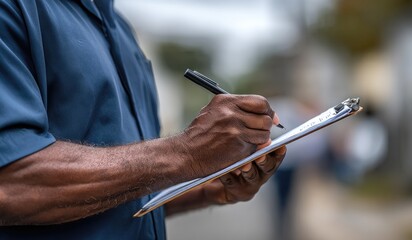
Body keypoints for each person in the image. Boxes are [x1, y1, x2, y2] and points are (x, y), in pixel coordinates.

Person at [0, 0, 286, 239]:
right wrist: (185, 153)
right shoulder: (15, 9)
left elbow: (125, 192)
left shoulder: (122, 32)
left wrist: (209, 188)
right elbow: (10, 183)